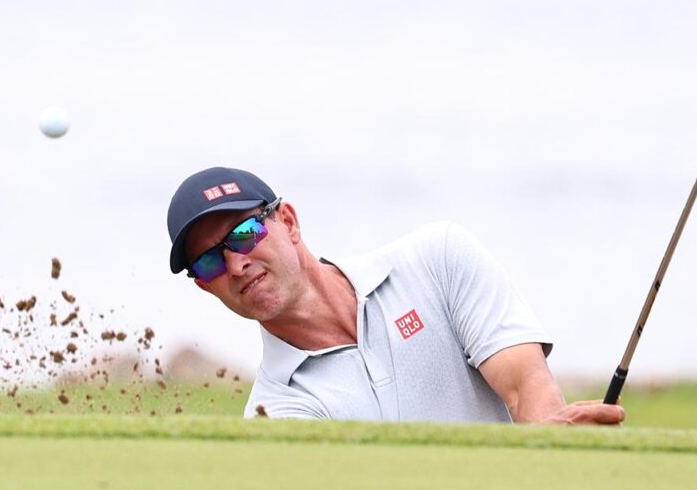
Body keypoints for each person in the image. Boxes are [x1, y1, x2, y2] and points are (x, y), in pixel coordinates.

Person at [167, 166, 624, 424]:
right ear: (205, 285)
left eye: (244, 233)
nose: (235, 264)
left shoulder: (438, 257)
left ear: (287, 221)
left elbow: (527, 386)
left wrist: (551, 446)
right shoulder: (278, 412)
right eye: (208, 261)